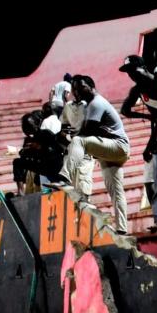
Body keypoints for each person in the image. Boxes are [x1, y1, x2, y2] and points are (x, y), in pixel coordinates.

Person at [55, 75, 131, 234]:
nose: (77, 91)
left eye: (81, 87)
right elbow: (85, 130)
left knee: (78, 141)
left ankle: (64, 176)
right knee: (116, 191)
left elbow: (86, 131)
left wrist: (69, 136)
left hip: (117, 146)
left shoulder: (96, 103)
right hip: (110, 151)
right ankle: (122, 229)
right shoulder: (89, 105)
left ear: (91, 86)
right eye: (75, 88)